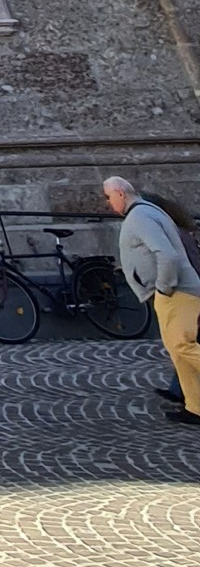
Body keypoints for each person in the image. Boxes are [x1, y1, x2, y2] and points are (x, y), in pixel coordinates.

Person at [105, 176, 200, 423]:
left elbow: (166, 254)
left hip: (177, 292)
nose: (108, 203)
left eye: (108, 197)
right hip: (174, 291)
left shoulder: (140, 216)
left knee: (183, 346)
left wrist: (164, 287)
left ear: (120, 194)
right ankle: (195, 407)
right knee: (178, 350)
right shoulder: (147, 213)